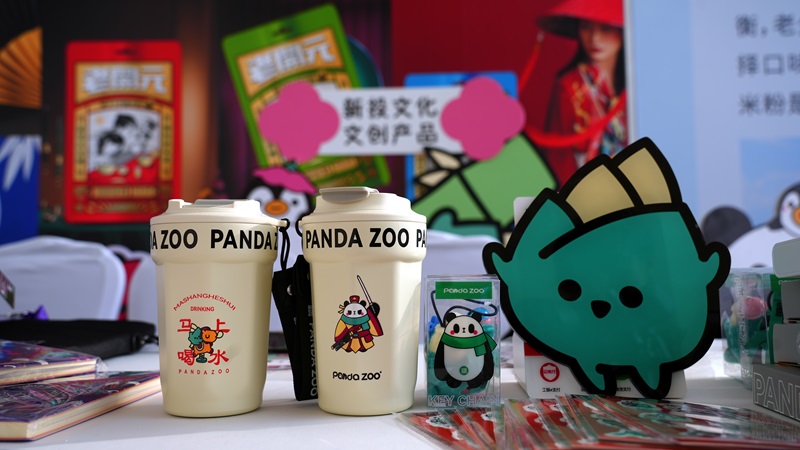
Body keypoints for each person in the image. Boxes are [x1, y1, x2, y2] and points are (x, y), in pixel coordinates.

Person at [537, 0, 627, 186]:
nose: (594, 39)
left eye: (606, 28)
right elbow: (559, 157)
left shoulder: (638, 85)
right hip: (583, 188)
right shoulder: (570, 86)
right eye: (586, 27)